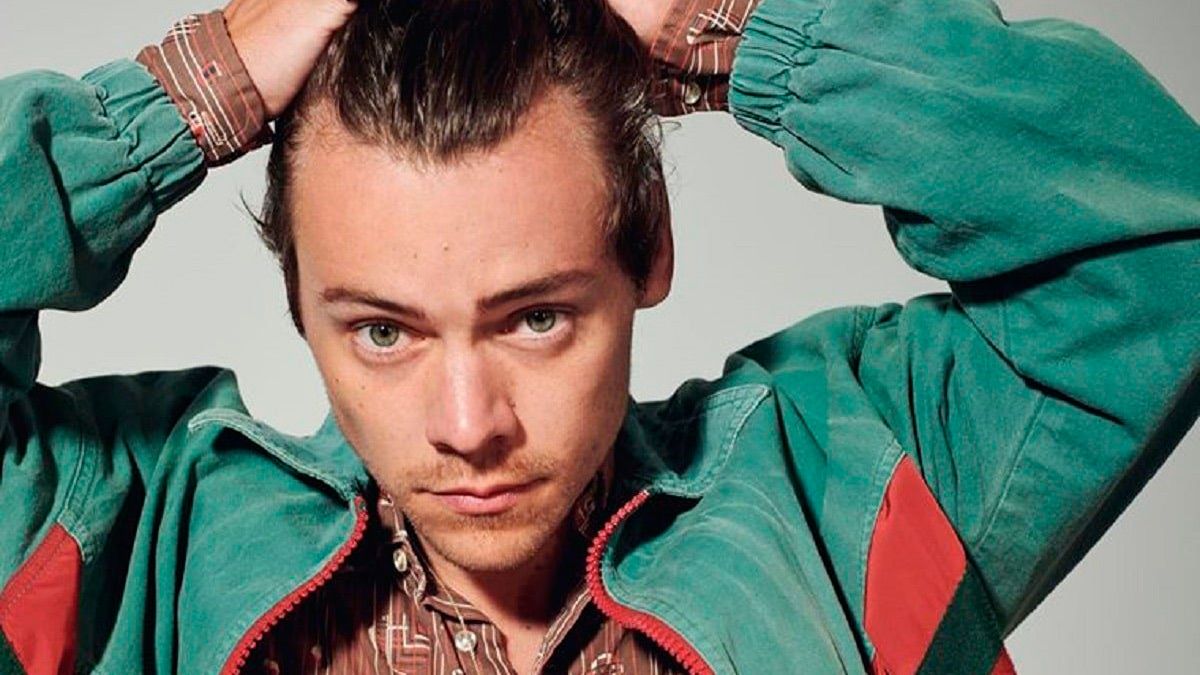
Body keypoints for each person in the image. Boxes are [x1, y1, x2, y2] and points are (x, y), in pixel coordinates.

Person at [0, 0, 1196, 672]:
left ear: (651, 250)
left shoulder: (848, 478)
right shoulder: (134, 539)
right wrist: (189, 96)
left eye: (536, 318)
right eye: (382, 333)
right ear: (297, 299)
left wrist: (733, 31)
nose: (468, 426)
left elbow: (1162, 259)